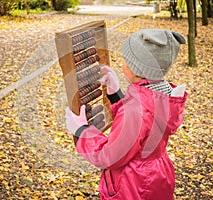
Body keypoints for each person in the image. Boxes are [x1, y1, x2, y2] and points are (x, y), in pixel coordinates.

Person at [65, 28, 188, 200]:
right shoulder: (164, 94)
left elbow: (110, 156)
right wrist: (116, 95)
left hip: (132, 186)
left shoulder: (136, 110)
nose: (123, 63)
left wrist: (83, 131)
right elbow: (144, 123)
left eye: (125, 59)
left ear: (134, 67)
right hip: (157, 178)